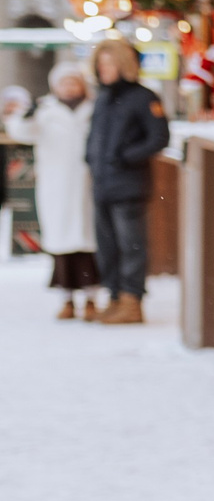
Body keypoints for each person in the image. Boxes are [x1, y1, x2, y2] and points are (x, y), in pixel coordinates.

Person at [3, 66, 99, 318]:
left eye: (73, 83)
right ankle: (67, 299)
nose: (69, 88)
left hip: (87, 182)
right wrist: (25, 116)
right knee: (62, 242)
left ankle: (91, 298)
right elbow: (21, 132)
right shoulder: (45, 110)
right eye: (64, 83)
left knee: (89, 242)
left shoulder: (93, 109)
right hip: (57, 183)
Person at [84, 37, 165, 325]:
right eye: (100, 64)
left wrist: (126, 157)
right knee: (107, 246)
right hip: (102, 184)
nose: (103, 69)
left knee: (131, 245)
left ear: (123, 64)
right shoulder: (103, 97)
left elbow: (159, 137)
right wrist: (90, 158)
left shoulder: (143, 97)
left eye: (109, 63)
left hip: (129, 185)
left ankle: (132, 301)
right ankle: (115, 297)